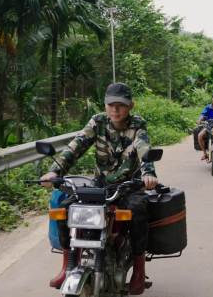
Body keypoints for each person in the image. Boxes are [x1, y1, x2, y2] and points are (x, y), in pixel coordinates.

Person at [39, 82, 157, 295]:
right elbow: (77, 145)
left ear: (130, 106)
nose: (115, 109)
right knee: (66, 208)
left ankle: (139, 270)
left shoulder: (138, 125)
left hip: (128, 186)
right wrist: (55, 171)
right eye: (111, 104)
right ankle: (68, 264)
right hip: (100, 186)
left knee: (139, 211)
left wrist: (148, 173)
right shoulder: (98, 121)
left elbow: (143, 148)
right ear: (105, 105)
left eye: (121, 105)